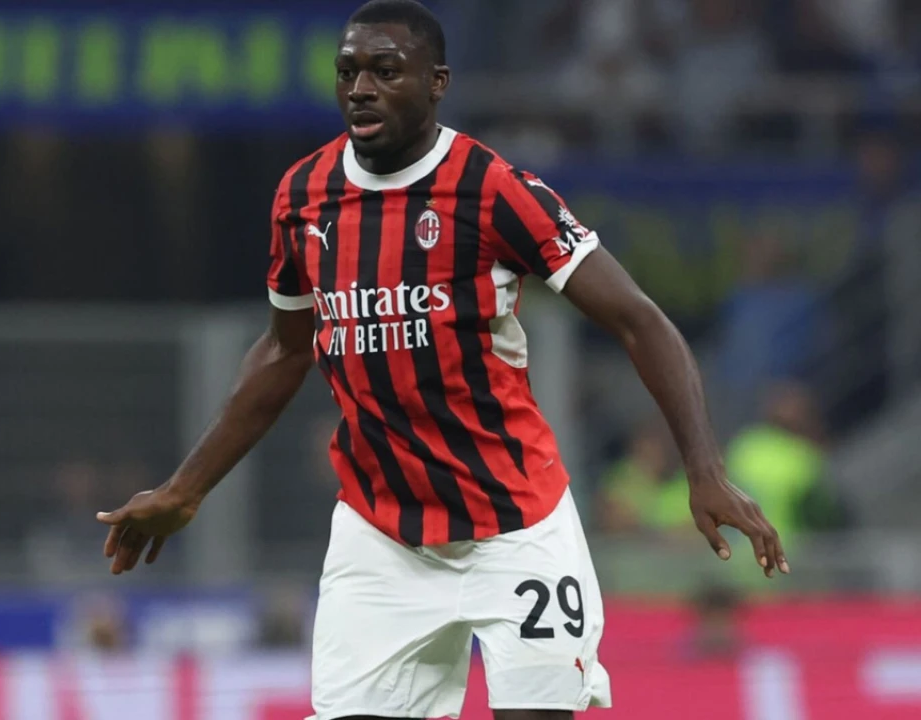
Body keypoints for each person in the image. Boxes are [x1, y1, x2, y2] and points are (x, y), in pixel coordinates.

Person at [96, 2, 788, 718]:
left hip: (515, 524)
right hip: (380, 535)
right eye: (348, 72)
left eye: (385, 71)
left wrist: (704, 470)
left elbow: (639, 321)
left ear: (437, 83)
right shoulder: (304, 196)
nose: (361, 89)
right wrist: (186, 489)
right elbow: (284, 349)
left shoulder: (494, 190)